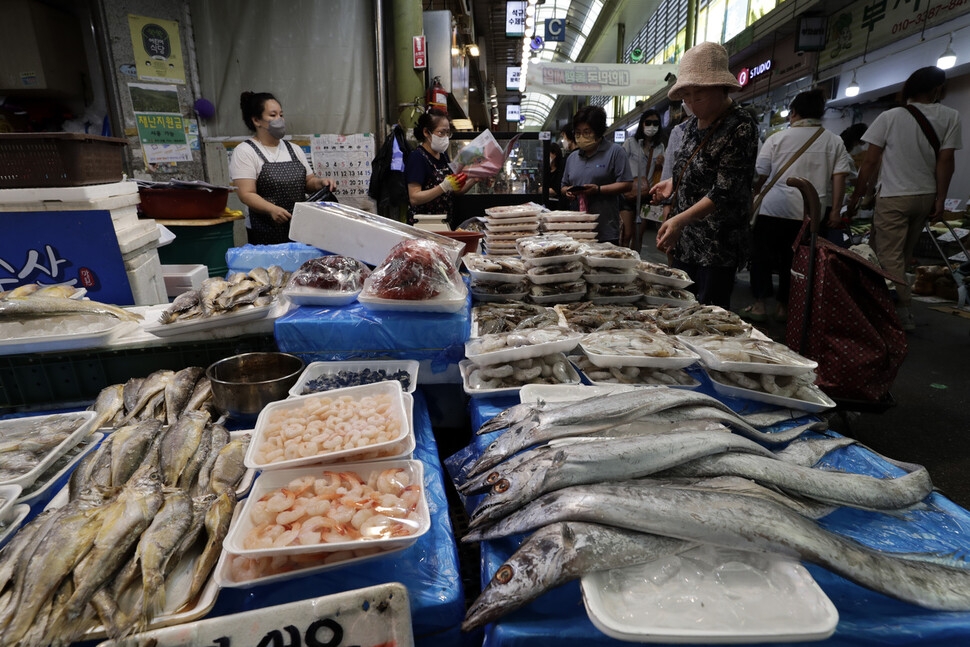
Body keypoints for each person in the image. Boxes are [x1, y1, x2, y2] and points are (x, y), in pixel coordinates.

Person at [847, 66, 962, 331]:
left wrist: (857, 196)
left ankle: (901, 310)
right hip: (925, 196)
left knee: (889, 257)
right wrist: (941, 199)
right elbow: (947, 161)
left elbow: (871, 161)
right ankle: (879, 305)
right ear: (937, 89)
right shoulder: (950, 116)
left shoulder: (891, 116)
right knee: (901, 252)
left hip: (894, 196)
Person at [650, 42, 759, 309]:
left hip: (717, 244)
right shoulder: (690, 127)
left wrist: (678, 220)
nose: (690, 103)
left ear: (721, 89)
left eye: (697, 96)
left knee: (708, 315)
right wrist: (671, 183)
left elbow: (725, 191)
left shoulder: (741, 127)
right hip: (687, 239)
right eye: (686, 96)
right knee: (681, 307)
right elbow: (694, 168)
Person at [743, 89, 854, 323]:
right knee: (795, 262)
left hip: (773, 209)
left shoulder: (777, 138)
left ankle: (760, 304)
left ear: (793, 112)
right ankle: (785, 307)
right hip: (811, 213)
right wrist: (835, 210)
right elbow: (839, 177)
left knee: (761, 258)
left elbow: (761, 174)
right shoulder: (834, 141)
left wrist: (756, 194)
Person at [230, 91, 336, 244]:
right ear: (256, 120)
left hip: (299, 226)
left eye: (281, 115)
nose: (279, 120)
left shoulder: (294, 149)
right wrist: (271, 209)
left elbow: (308, 182)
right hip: (265, 229)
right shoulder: (245, 151)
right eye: (273, 115)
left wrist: (321, 183)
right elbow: (246, 193)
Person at [562, 105, 633, 244]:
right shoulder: (572, 158)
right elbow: (564, 185)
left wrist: (598, 190)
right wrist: (568, 192)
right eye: (578, 132)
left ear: (598, 132)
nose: (581, 136)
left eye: (587, 132)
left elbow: (627, 184)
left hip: (605, 228)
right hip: (577, 230)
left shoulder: (615, 152)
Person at [405, 108, 477, 223]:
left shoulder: (443, 156)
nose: (445, 137)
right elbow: (414, 198)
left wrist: (475, 179)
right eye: (441, 132)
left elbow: (455, 191)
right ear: (426, 132)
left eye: (447, 133)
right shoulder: (417, 157)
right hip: (424, 226)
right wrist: (442, 187)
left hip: (444, 223)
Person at [620, 110, 665, 250]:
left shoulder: (660, 146)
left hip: (646, 196)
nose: (652, 126)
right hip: (627, 194)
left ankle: (635, 264)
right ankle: (621, 262)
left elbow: (662, 172)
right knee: (625, 234)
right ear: (642, 124)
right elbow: (620, 165)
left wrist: (661, 163)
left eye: (656, 123)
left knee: (638, 235)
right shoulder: (630, 143)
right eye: (648, 122)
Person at [546, 141, 565, 209]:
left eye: (548, 153)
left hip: (559, 206)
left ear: (554, 154)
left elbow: (555, 191)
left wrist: (544, 189)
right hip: (547, 204)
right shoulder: (546, 170)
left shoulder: (562, 169)